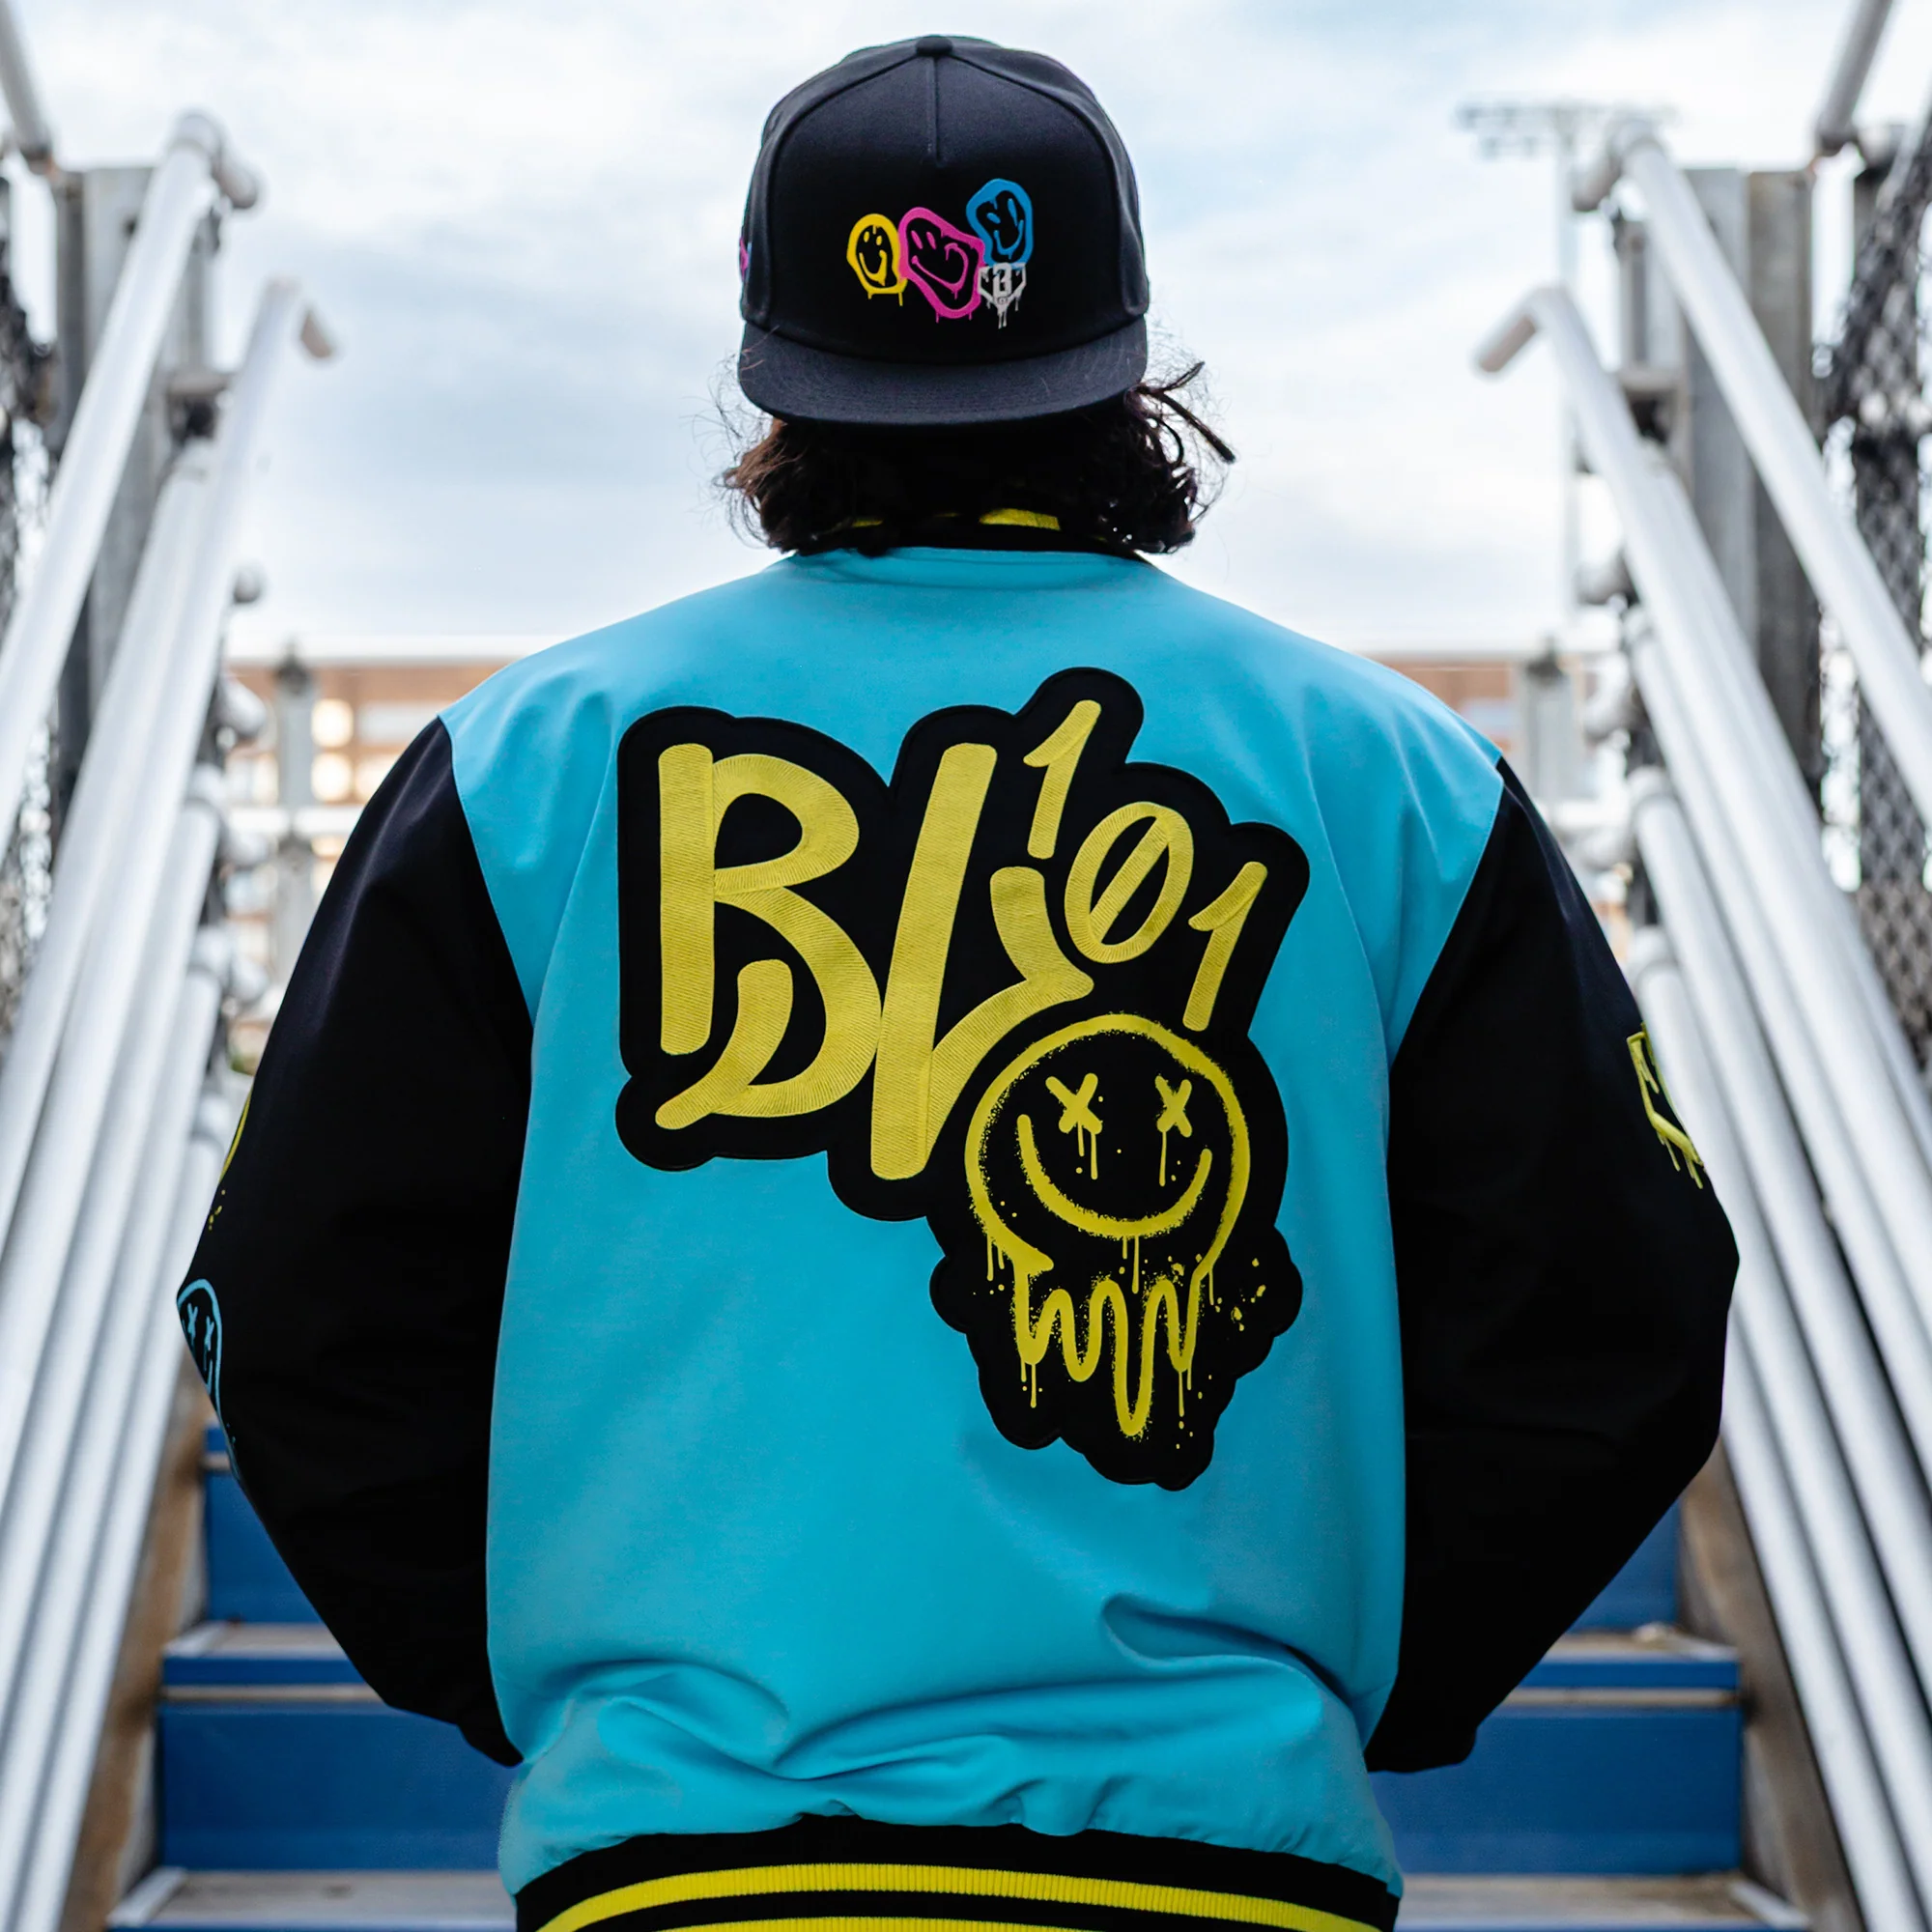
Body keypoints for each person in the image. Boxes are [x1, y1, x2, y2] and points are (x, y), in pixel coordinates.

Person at [177, 34, 1736, 1932]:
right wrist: (1365, 1685)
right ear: (1129, 366)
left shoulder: (523, 765)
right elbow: (1619, 1316)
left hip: (680, 1859)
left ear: (772, 372)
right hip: (1226, 1862)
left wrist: (552, 1688)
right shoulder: (1394, 775)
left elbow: (295, 1315)